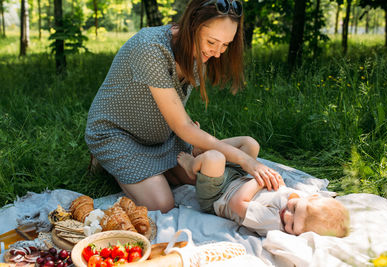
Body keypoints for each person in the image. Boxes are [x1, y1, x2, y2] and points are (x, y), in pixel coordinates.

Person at [85, 0, 283, 213]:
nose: (218, 53)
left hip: (163, 138)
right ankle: (108, 163)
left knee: (196, 178)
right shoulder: (151, 48)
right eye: (212, 42)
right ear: (193, 25)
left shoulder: (197, 52)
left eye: (225, 45)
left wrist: (189, 130)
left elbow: (173, 110)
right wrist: (245, 161)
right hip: (118, 134)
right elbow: (182, 127)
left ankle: (160, 170)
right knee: (161, 205)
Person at [177, 136, 350, 237]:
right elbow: (279, 189)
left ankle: (192, 166)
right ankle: (203, 146)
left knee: (215, 158)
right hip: (237, 178)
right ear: (310, 198)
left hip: (217, 195)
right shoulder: (297, 198)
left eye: (292, 226)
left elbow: (237, 203)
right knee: (250, 144)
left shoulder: (273, 222)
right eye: (295, 209)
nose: (287, 216)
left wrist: (258, 179)